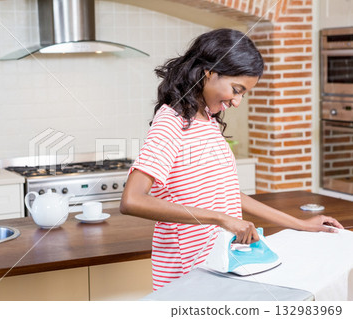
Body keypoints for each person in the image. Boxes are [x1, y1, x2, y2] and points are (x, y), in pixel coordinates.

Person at [119, 28, 344, 291]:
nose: (237, 102)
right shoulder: (172, 123)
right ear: (209, 72)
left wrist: (301, 225)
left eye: (243, 94)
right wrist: (222, 219)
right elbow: (132, 200)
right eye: (236, 89)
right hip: (186, 276)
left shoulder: (207, 121)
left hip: (217, 267)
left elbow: (227, 195)